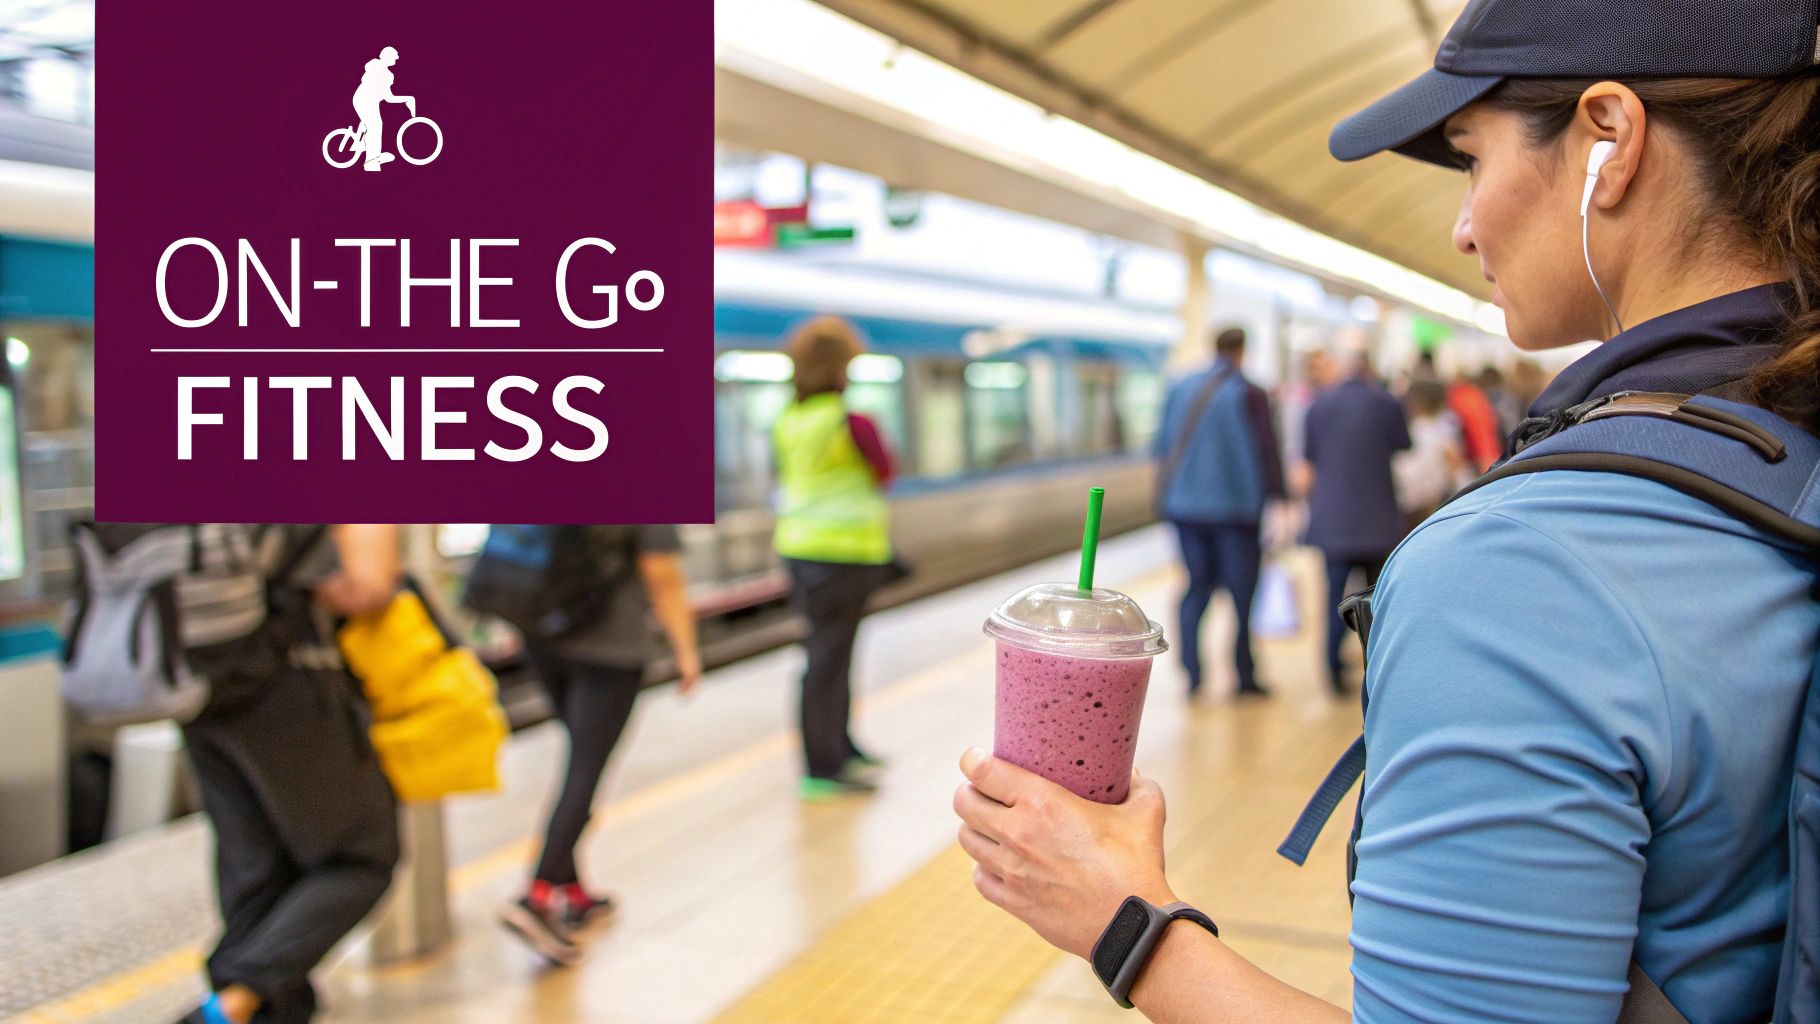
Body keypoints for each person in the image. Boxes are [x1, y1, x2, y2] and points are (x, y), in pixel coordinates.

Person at [953, 1, 1820, 1019]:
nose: (1460, 225)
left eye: (1467, 156)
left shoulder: (1518, 572)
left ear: (1608, 139)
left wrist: (1124, 923)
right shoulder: (1781, 439)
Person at [180, 525, 401, 1024]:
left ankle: (263, 1008)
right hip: (284, 686)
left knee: (256, 864)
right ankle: (228, 1008)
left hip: (197, 686)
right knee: (363, 857)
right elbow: (363, 588)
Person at [497, 526, 702, 965]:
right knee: (586, 768)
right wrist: (686, 649)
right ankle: (537, 894)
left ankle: (574, 892)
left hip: (546, 638)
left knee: (579, 756)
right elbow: (662, 572)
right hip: (610, 649)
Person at [774, 316, 899, 800]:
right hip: (844, 554)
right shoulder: (852, 421)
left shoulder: (790, 418)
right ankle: (821, 767)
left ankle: (841, 746)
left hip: (800, 548)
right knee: (829, 660)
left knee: (829, 655)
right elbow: (884, 471)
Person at [1152, 327, 1285, 699]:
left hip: (1186, 510)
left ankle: (1192, 674)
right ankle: (1244, 676)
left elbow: (1161, 446)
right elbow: (1267, 451)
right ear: (1242, 350)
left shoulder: (1180, 386)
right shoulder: (1249, 391)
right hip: (1236, 512)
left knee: (1196, 587)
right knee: (1243, 596)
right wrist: (1281, 499)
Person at [1297, 351, 1409, 694]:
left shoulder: (1318, 405)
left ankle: (1331, 671)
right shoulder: (1387, 402)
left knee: (1332, 597)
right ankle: (1376, 674)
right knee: (1377, 603)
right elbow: (1404, 443)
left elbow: (1310, 456)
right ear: (1371, 370)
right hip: (1378, 520)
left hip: (1333, 521)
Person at [1392, 378, 1466, 527]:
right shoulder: (1445, 431)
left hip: (1414, 505)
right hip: (1434, 503)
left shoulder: (1411, 432)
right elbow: (1456, 469)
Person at [352, 46, 413, 172]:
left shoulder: (388, 75)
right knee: (375, 125)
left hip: (370, 102)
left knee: (374, 124)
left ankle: (367, 149)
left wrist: (408, 99)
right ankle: (371, 161)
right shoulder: (375, 65)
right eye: (395, 56)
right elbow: (369, 69)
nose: (397, 59)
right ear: (387, 56)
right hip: (364, 99)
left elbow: (389, 98)